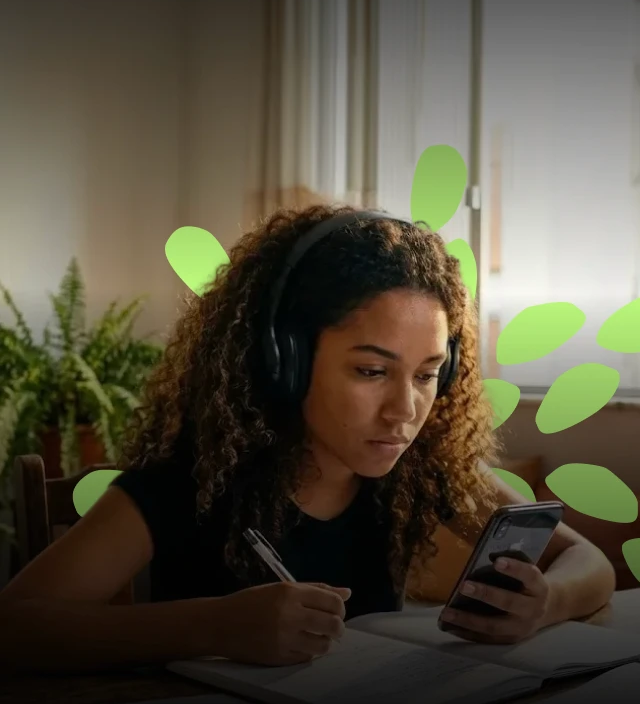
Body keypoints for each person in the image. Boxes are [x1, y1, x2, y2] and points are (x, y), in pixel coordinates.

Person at [0, 204, 616, 673]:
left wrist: (547, 603)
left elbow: (588, 563)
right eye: (372, 372)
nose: (405, 410)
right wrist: (212, 626)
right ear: (282, 362)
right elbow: (15, 625)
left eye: (428, 375)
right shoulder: (189, 481)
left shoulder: (422, 469)